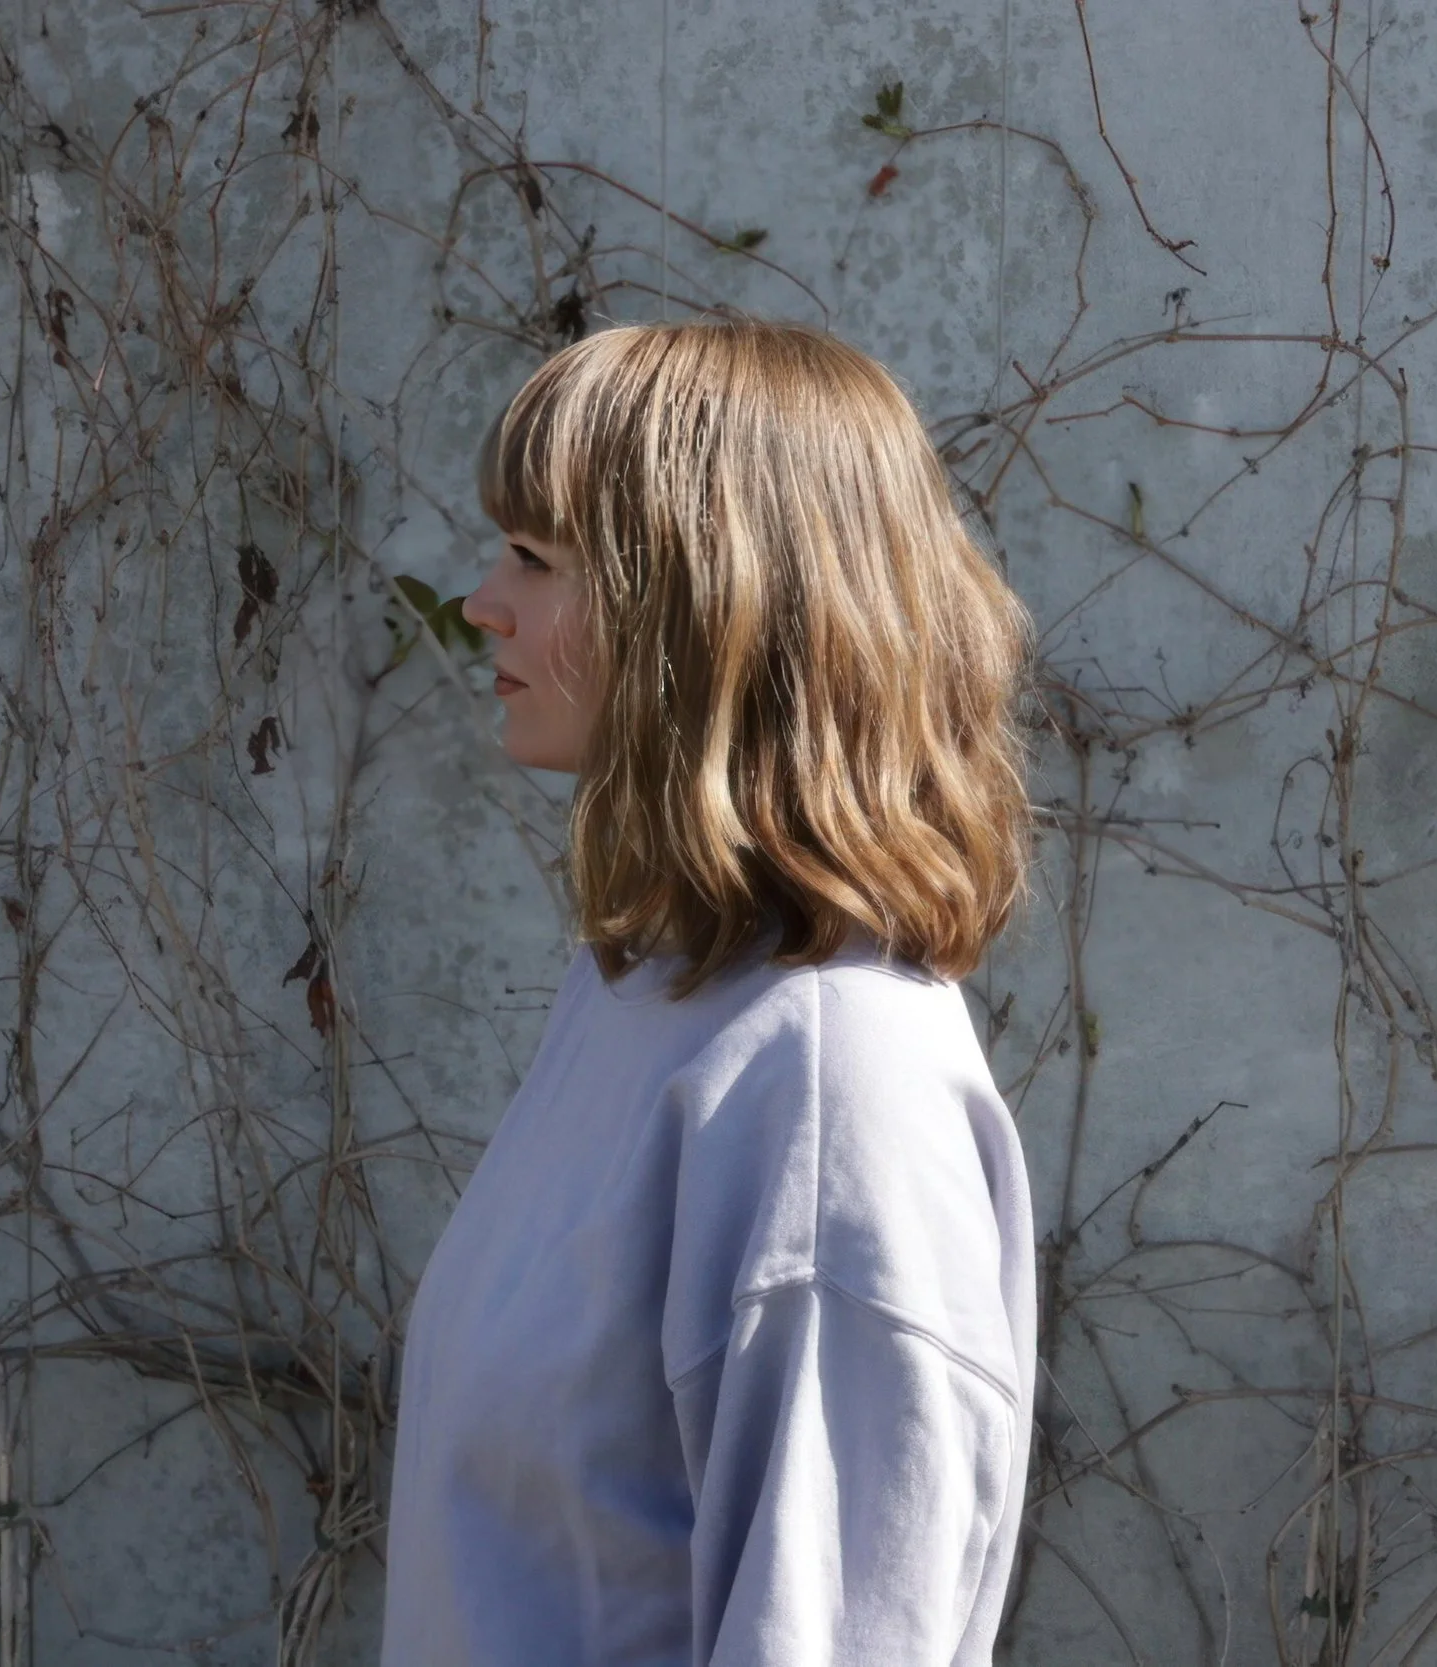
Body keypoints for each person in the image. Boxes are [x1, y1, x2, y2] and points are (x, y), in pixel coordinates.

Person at [379, 315, 1037, 1667]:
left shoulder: (826, 1080)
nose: (482, 603)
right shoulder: (648, 993)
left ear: (708, 605)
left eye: (537, 560)